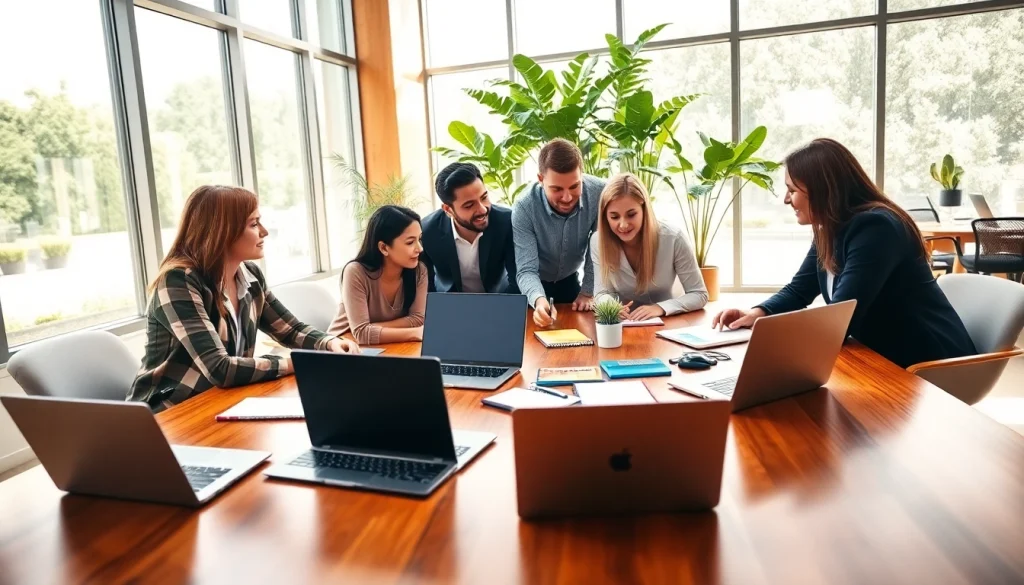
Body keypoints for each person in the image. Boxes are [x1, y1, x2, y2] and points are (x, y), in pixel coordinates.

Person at [712, 138, 976, 368]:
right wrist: (757, 314)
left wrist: (771, 339)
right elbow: (799, 290)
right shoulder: (830, 227)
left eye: (792, 190)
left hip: (926, 359)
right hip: (880, 353)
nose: (785, 199)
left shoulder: (876, 227)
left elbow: (841, 317)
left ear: (822, 189)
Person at [128, 185, 358, 411]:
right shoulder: (178, 282)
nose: (264, 231)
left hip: (223, 402)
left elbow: (289, 329)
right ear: (223, 231)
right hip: (169, 414)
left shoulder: (250, 275)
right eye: (254, 223)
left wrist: (329, 343)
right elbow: (219, 368)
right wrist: (294, 362)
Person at [512, 138, 606, 327]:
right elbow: (526, 269)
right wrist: (539, 300)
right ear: (541, 179)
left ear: (582, 174)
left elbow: (599, 249)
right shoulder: (524, 207)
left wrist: (587, 291)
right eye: (556, 189)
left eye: (574, 186)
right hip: (533, 286)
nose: (567, 197)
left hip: (570, 282)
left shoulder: (600, 193)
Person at [592, 173, 708, 320]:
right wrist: (612, 307)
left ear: (644, 210)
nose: (623, 224)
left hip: (669, 322)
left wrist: (660, 308)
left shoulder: (674, 238)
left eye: (631, 214)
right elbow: (602, 293)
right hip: (623, 324)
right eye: (614, 217)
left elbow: (699, 294)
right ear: (605, 217)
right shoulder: (597, 241)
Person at [328, 205, 427, 344]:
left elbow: (417, 319)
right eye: (410, 242)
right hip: (344, 346)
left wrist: (369, 330)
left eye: (420, 239)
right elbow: (361, 334)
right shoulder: (355, 272)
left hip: (389, 346)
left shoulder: (419, 271)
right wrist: (413, 333)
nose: (420, 248)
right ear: (383, 247)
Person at [420, 162, 518, 294]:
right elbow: (425, 288)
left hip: (499, 300)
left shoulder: (507, 222)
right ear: (448, 210)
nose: (482, 209)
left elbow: (517, 279)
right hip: (451, 306)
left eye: (484, 198)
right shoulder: (427, 231)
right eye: (469, 205)